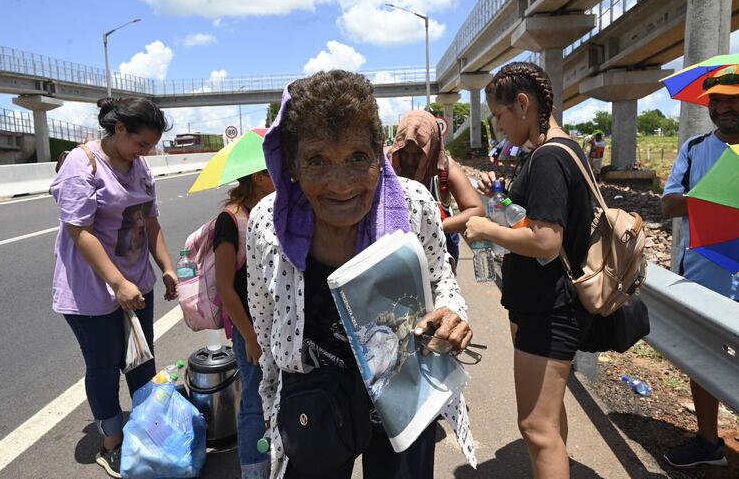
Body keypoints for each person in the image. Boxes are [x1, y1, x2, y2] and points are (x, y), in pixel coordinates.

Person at [247, 70, 477, 479]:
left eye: (357, 158)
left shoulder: (414, 205)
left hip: (405, 390)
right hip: (314, 401)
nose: (341, 185)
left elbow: (442, 279)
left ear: (378, 154)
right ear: (293, 165)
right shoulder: (267, 223)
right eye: (317, 160)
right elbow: (265, 321)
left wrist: (451, 313)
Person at [464, 62, 594, 479]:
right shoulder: (560, 150)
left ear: (523, 104)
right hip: (545, 304)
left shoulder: (548, 158)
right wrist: (497, 196)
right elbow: (534, 221)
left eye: (499, 116)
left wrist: (486, 227)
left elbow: (546, 241)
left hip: (548, 309)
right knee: (549, 420)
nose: (498, 127)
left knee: (536, 428)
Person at [50, 97, 177, 478]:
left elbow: (149, 222)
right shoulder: (81, 164)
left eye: (151, 146)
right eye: (142, 143)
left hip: (136, 283)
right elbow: (79, 231)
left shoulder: (140, 167)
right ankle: (113, 442)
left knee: (142, 361)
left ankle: (147, 430)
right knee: (104, 366)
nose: (146, 152)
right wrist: (118, 282)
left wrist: (167, 268)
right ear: (119, 129)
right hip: (91, 291)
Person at [661, 65, 739, 469]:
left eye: (733, 98)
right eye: (718, 100)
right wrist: (712, 196)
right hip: (703, 271)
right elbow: (668, 203)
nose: (725, 107)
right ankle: (708, 441)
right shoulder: (694, 148)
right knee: (702, 358)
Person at [213, 170, 275, 479]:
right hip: (249, 329)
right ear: (261, 177)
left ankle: (277, 461)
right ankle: (253, 470)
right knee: (254, 399)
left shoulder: (274, 210)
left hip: (277, 325)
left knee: (278, 395)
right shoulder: (232, 220)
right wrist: (250, 337)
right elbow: (225, 286)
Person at [387, 110, 485, 271]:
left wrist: (429, 226)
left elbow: (476, 210)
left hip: (437, 255)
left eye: (419, 154)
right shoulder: (387, 162)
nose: (410, 161)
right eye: (404, 152)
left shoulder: (445, 168)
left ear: (432, 149)